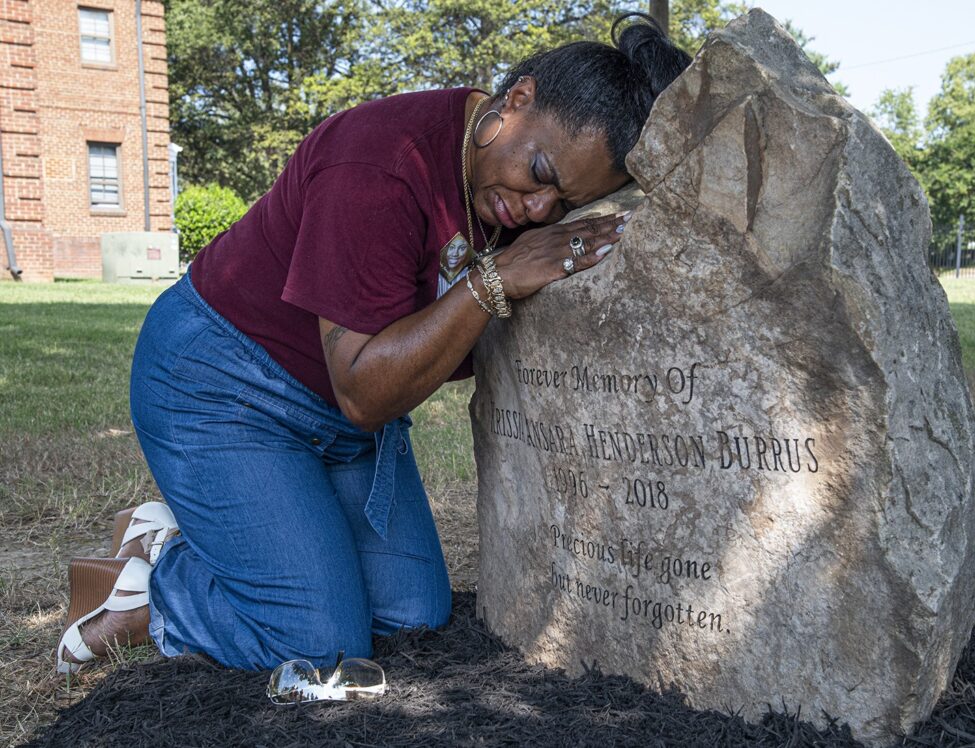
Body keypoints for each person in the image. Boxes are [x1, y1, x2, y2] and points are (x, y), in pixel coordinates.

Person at [56, 13, 692, 674]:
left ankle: (176, 536)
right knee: (316, 643)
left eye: (561, 203)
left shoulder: (502, 191)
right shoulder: (381, 163)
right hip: (225, 385)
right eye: (539, 171)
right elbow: (363, 390)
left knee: (413, 614)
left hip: (341, 422)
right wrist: (493, 281)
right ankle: (152, 592)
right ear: (517, 99)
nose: (537, 211)